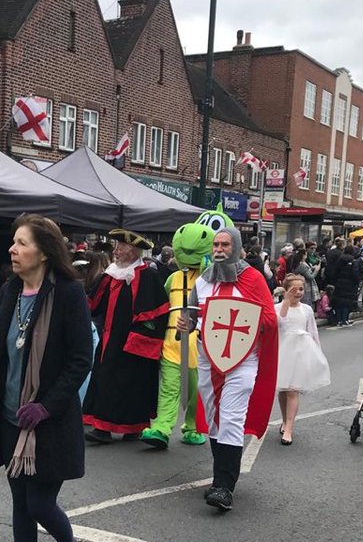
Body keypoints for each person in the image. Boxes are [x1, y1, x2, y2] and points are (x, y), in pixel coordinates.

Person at [0, 214, 93, 542]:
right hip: (10, 416)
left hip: (48, 422)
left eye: (22, 243)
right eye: (14, 242)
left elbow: (80, 360)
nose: (12, 249)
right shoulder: (10, 290)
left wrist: (46, 406)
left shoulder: (69, 294)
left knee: (39, 503)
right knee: (20, 503)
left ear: (44, 251)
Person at [179, 226, 277, 512]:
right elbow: (192, 319)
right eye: (216, 245)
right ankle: (219, 478)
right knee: (214, 419)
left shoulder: (253, 279)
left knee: (232, 417)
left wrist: (242, 320)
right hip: (208, 358)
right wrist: (187, 324)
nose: (219, 250)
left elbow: (269, 320)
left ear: (236, 247)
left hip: (242, 360)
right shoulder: (202, 282)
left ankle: (224, 486)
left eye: (225, 245)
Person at [82, 228, 169, 443]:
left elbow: (157, 313)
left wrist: (139, 338)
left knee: (133, 384)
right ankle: (103, 427)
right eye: (116, 246)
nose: (116, 251)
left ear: (133, 251)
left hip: (132, 341)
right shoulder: (111, 274)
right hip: (110, 338)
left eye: (121, 247)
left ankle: (132, 427)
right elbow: (94, 302)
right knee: (106, 378)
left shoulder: (147, 276)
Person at [140, 219, 214, 450]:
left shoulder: (210, 281)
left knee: (195, 391)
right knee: (169, 388)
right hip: (172, 344)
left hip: (199, 347)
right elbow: (162, 305)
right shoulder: (173, 278)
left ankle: (192, 426)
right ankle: (162, 428)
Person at [276, 273, 330, 445]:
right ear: (286, 290)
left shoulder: (306, 309)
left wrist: (317, 353)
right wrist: (286, 300)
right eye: (294, 289)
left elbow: (313, 331)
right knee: (283, 390)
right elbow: (279, 322)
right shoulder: (278, 307)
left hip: (301, 351)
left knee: (293, 390)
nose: (298, 292)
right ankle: (284, 420)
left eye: (301, 289)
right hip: (282, 351)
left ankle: (289, 429)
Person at [331, 242, 363, 327]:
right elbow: (355, 273)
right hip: (350, 285)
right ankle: (345, 320)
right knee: (347, 303)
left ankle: (338, 320)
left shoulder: (340, 259)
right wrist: (357, 281)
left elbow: (335, 272)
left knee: (339, 302)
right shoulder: (353, 261)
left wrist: (336, 281)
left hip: (339, 283)